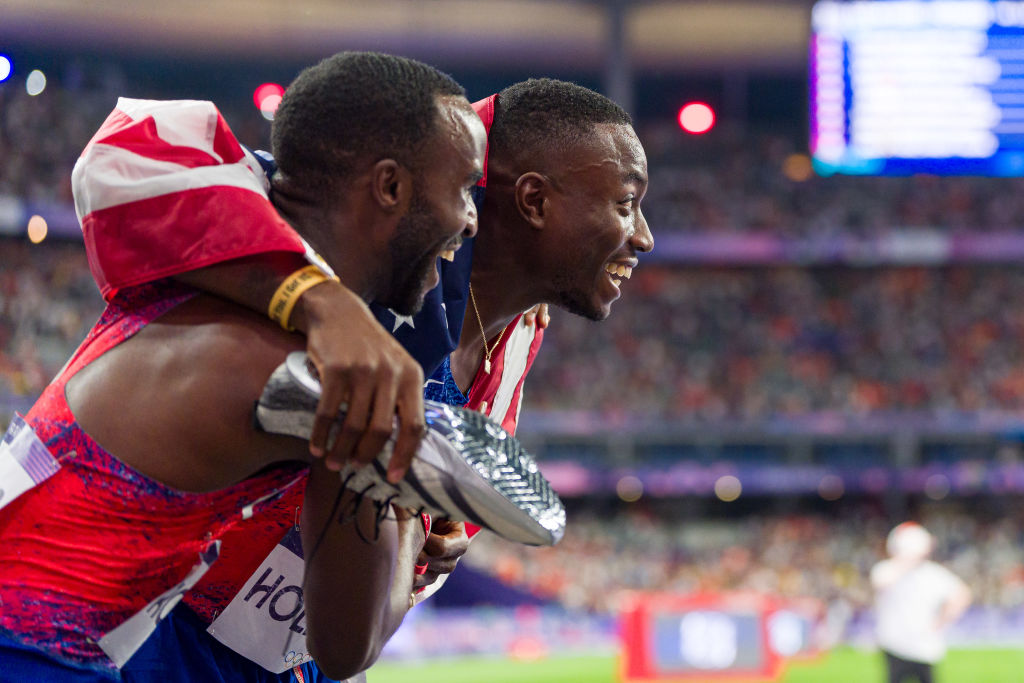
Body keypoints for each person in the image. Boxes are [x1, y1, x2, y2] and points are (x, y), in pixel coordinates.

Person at [71, 76, 653, 682]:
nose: (644, 236)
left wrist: (426, 541)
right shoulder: (351, 237)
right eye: (625, 203)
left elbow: (403, 549)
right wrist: (320, 301)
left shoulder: (517, 336)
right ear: (532, 201)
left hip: (295, 656)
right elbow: (124, 150)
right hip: (143, 620)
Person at [0, 51, 487, 682]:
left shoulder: (199, 266)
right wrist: (408, 519)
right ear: (390, 187)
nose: (471, 219)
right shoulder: (328, 378)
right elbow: (347, 645)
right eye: (463, 189)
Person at [870, 522, 973, 683]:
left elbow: (962, 595)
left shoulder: (932, 573)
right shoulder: (887, 569)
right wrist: (909, 559)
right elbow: (881, 582)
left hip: (924, 647)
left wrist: (940, 622)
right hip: (894, 644)